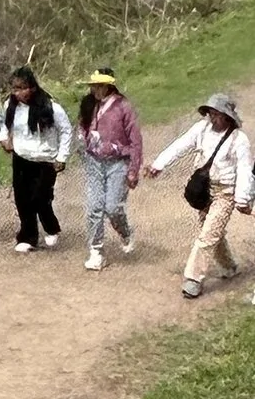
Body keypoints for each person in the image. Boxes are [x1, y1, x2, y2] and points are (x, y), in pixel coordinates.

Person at [149, 85, 255, 300]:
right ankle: (229, 267)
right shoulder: (201, 129)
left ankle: (193, 279)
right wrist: (159, 164)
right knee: (214, 233)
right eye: (211, 113)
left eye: (217, 114)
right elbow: (180, 145)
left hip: (226, 193)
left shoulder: (239, 140)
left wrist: (243, 198)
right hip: (206, 191)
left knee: (207, 235)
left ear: (227, 117)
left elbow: (245, 170)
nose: (213, 118)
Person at [74, 69, 143, 269]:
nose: (94, 89)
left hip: (118, 162)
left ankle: (125, 231)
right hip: (94, 161)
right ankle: (96, 250)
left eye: (98, 85)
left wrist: (133, 170)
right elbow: (82, 127)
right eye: (92, 85)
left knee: (112, 207)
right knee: (94, 207)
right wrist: (82, 142)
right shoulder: (88, 104)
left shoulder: (124, 107)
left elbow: (135, 140)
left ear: (107, 86)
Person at [2, 65, 71, 252]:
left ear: (32, 87)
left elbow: (65, 130)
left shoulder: (50, 107)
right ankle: (28, 236)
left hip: (45, 160)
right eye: (15, 88)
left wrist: (62, 156)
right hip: (22, 157)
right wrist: (4, 140)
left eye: (22, 88)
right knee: (22, 199)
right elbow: (4, 124)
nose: (18, 93)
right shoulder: (10, 106)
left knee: (40, 197)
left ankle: (51, 227)